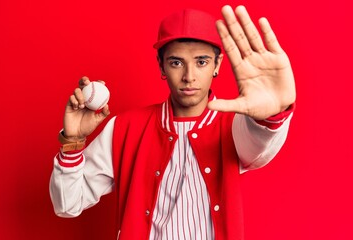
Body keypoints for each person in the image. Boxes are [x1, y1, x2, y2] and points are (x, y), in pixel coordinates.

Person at [50, 5, 296, 240]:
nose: (189, 76)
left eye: (201, 62)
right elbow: (67, 204)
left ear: (217, 65)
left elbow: (261, 144)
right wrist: (73, 140)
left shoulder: (234, 126)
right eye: (176, 62)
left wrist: (271, 114)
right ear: (161, 66)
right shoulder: (125, 128)